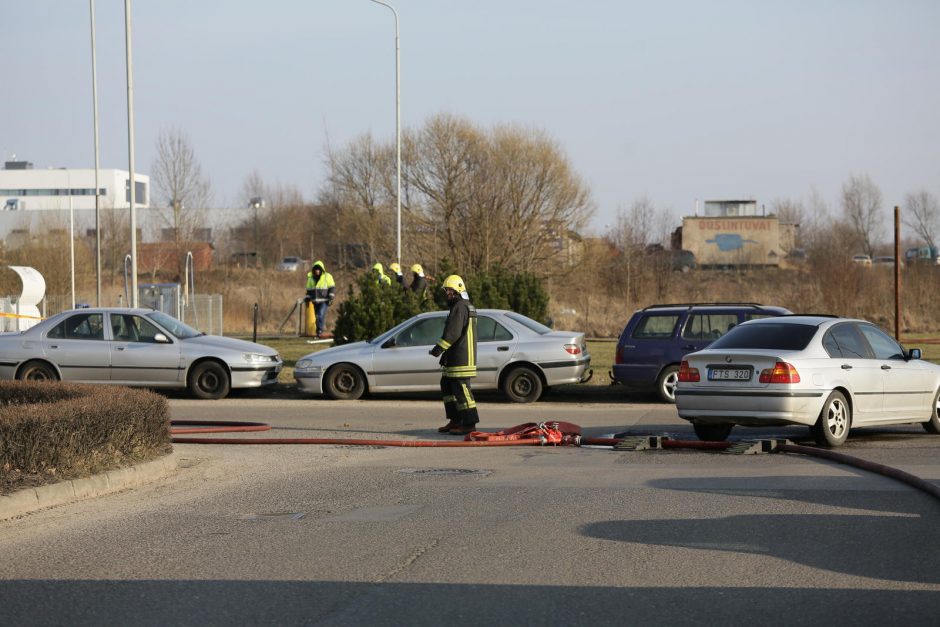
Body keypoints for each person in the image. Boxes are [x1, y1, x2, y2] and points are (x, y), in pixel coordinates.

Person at [429, 275, 479, 435]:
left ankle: (469, 423)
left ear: (458, 290)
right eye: (446, 291)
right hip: (455, 356)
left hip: (462, 358)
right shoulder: (461, 306)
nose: (447, 294)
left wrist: (438, 349)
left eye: (450, 291)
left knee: (462, 390)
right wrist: (446, 355)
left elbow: (453, 333)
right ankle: (455, 420)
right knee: (447, 386)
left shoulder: (460, 307)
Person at [305, 260, 336, 338]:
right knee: (317, 316)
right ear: (314, 270)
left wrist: (331, 297)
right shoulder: (310, 278)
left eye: (318, 269)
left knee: (320, 315)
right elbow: (309, 291)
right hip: (315, 301)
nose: (317, 271)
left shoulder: (327, 276)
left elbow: (332, 287)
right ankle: (319, 331)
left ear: (321, 270)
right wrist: (307, 299)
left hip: (324, 301)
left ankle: (320, 331)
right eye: (316, 269)